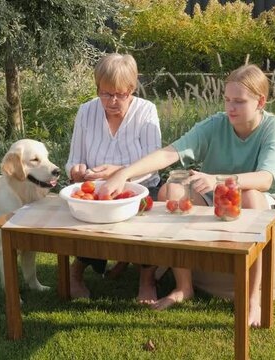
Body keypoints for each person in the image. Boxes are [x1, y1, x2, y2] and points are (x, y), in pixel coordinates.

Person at [99, 64, 275, 327]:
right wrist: (123, 174)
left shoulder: (272, 127)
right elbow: (169, 153)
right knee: (172, 190)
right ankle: (184, 287)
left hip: (249, 197)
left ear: (260, 102)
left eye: (239, 102)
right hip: (212, 196)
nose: (230, 108)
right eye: (227, 100)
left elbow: (266, 179)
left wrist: (219, 180)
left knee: (253, 196)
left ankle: (253, 298)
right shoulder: (215, 124)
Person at [65, 53, 162, 302]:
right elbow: (74, 160)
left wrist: (119, 172)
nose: (112, 101)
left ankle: (146, 279)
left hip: (140, 189)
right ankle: (76, 272)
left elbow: (153, 166)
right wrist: (76, 170)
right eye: (106, 93)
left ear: (132, 88)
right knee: (90, 217)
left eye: (120, 94)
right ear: (97, 88)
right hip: (98, 190)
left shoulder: (146, 111)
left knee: (144, 221)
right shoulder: (86, 111)